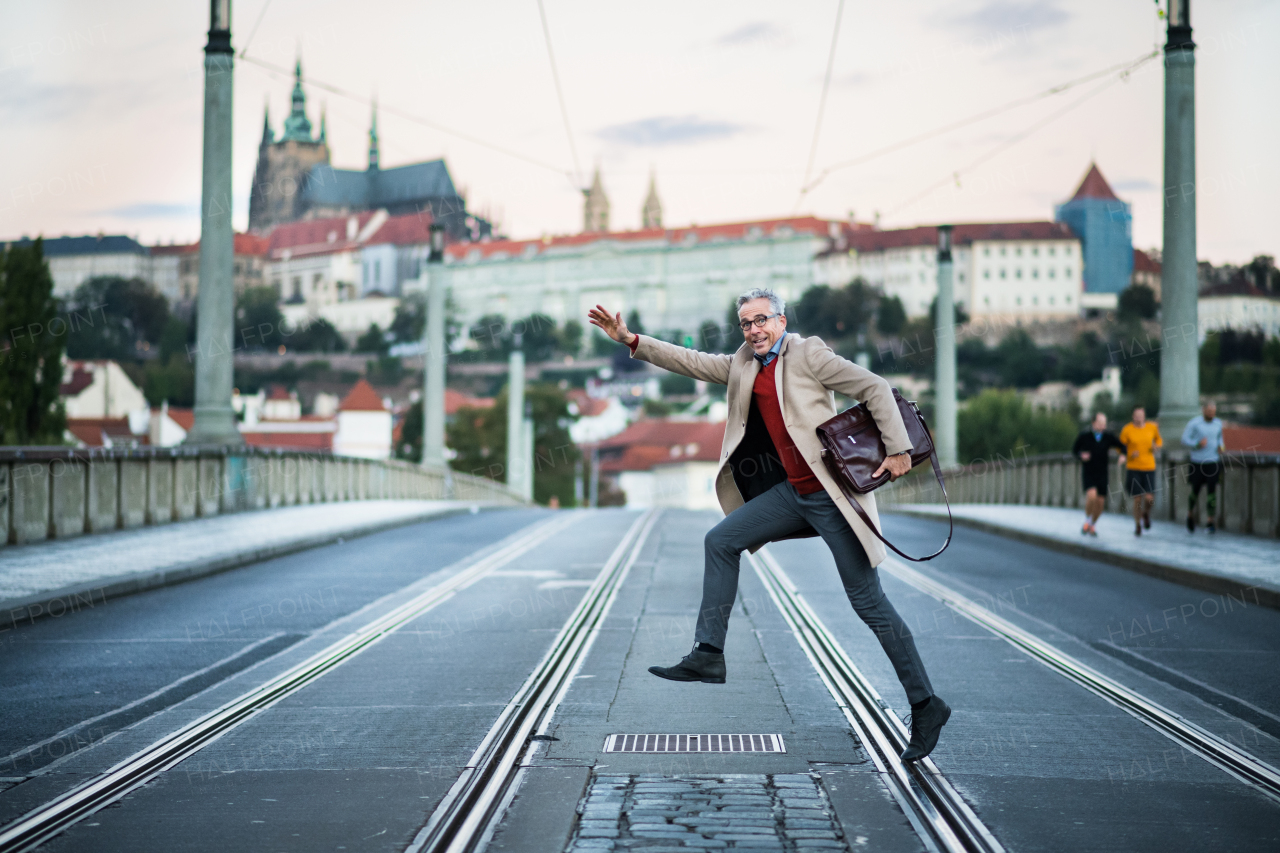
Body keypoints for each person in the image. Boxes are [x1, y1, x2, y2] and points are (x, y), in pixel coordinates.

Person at [588, 289, 950, 763]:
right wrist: (632, 339)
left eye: (762, 320)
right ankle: (708, 653)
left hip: (831, 496)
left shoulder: (809, 353)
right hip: (791, 494)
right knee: (721, 540)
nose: (754, 329)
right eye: (745, 323)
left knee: (869, 603)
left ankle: (926, 705)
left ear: (780, 321)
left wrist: (899, 450)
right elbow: (692, 362)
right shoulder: (742, 362)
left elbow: (875, 387)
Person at [1071, 412, 1125, 536]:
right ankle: (1087, 521)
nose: (1102, 426)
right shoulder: (1085, 436)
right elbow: (1074, 450)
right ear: (1093, 423)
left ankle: (1092, 525)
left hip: (1102, 473)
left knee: (1100, 503)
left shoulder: (1108, 436)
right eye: (1100, 423)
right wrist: (1081, 455)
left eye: (1104, 423)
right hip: (1089, 472)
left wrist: (1122, 455)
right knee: (1092, 496)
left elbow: (1122, 446)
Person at [1118, 406, 1162, 536]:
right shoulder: (1127, 430)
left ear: (1144, 416)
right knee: (1137, 499)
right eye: (1136, 415)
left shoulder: (1151, 427)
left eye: (1141, 415)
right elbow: (1120, 447)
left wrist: (1156, 446)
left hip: (1149, 467)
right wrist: (1129, 454)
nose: (1139, 417)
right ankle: (1137, 524)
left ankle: (1146, 514)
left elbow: (1158, 440)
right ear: (1133, 416)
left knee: (1149, 498)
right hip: (1133, 468)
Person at [1181, 401, 1225, 534]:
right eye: (1209, 411)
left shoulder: (1218, 424)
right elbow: (1184, 439)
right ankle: (1190, 515)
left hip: (1213, 461)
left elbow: (1220, 439)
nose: (1211, 413)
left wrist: (1221, 447)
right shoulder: (1194, 423)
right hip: (1197, 462)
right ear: (1203, 410)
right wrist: (1197, 444)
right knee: (1195, 491)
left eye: (1213, 411)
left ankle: (1210, 521)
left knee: (1212, 492)